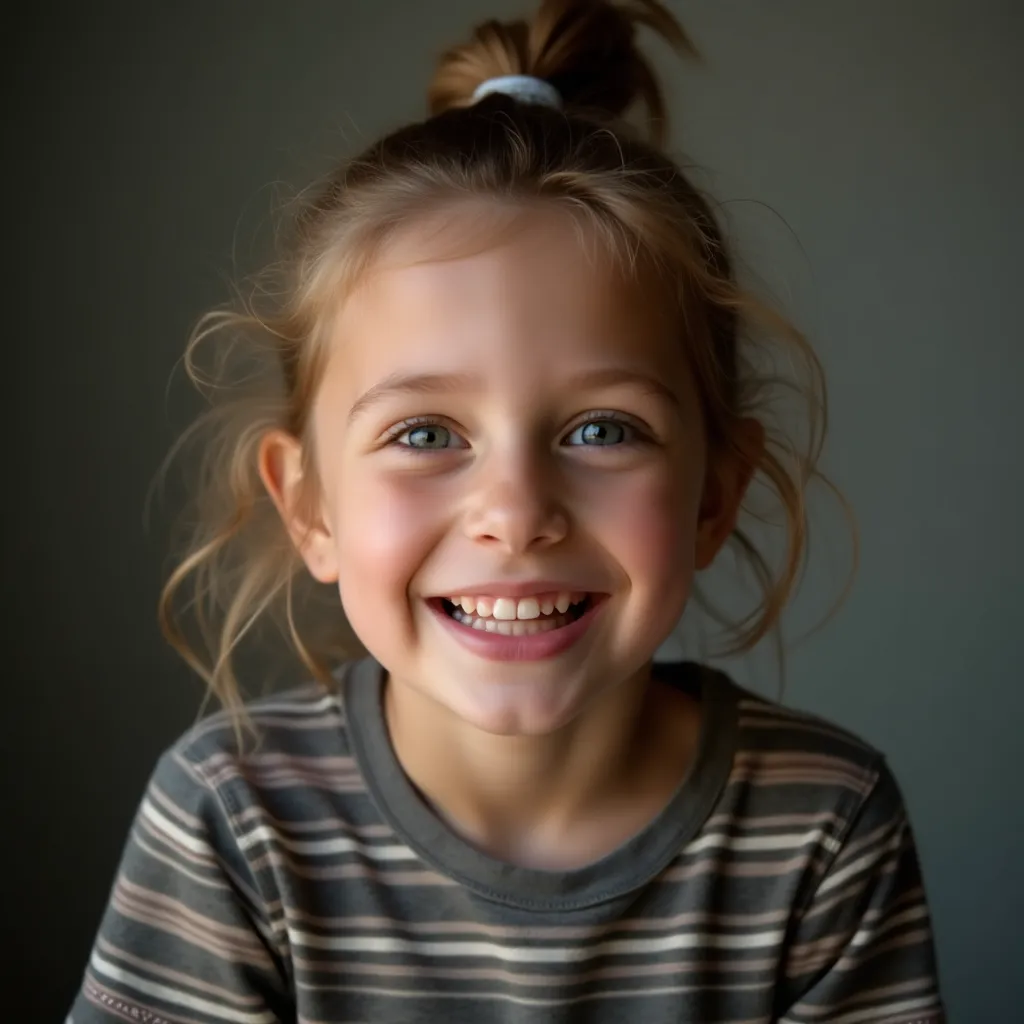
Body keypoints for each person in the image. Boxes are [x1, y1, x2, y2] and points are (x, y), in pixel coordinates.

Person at [68, 1, 944, 1021]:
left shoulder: (821, 824)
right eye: (426, 434)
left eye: (602, 430)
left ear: (714, 494)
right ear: (307, 505)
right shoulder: (232, 815)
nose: (516, 514)